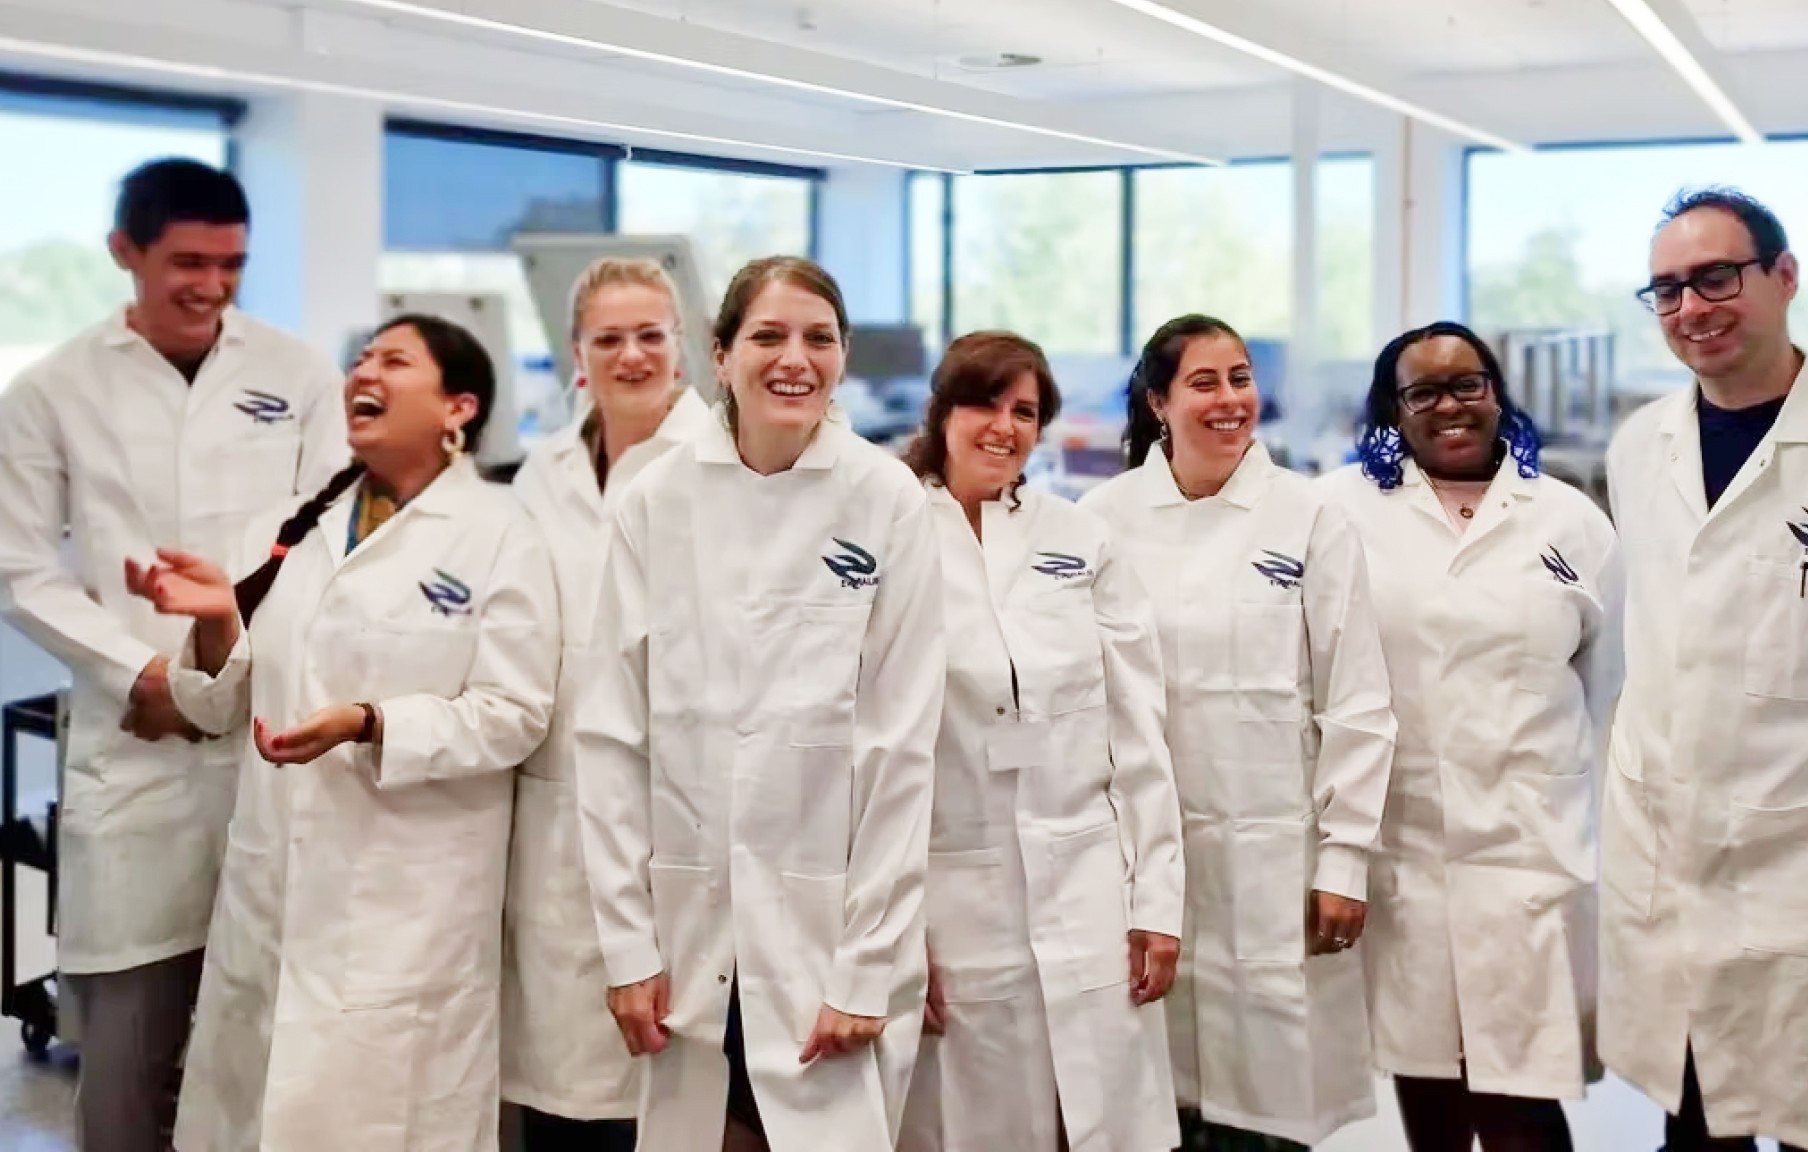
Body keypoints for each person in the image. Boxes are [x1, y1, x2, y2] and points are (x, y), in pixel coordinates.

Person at [127, 314, 562, 1152]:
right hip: (274, 889)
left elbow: (514, 714)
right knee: (255, 1110)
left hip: (407, 906)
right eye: (360, 357)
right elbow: (218, 707)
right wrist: (218, 620)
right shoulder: (294, 526)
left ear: (456, 408)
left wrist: (370, 725)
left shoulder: (502, 535)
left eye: (396, 361)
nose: (366, 371)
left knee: (380, 1117)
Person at [0, 157, 345, 1152]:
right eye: (186, 261)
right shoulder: (51, 391)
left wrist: (229, 671)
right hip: (137, 748)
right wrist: (141, 673)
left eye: (231, 263)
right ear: (125, 254)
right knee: (128, 1063)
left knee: (269, 1048)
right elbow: (20, 567)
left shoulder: (294, 372)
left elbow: (324, 540)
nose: (213, 285)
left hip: (270, 730)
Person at [573, 256, 944, 1152]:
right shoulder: (657, 500)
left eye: (820, 338)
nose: (795, 359)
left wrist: (867, 965)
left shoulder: (885, 497)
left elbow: (900, 752)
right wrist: (628, 950)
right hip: (690, 927)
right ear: (721, 354)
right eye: (769, 336)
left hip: (827, 931)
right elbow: (611, 737)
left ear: (844, 356)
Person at [1603, 187, 1808, 1152]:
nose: (1691, 308)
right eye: (1665, 290)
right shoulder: (1637, 447)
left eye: (1715, 278)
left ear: (1783, 279)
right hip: (1673, 858)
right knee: (1697, 1128)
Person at [1079, 315, 1397, 1151]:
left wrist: (1346, 855)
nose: (1230, 400)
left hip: (1274, 861)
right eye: (1205, 382)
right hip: (1140, 862)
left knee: (1268, 1111)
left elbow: (1356, 700)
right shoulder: (1100, 519)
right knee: (1153, 1107)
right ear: (1158, 401)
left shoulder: (1308, 515)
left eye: (1241, 378)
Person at [1320, 321, 1621, 1152]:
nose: (1449, 405)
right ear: (1395, 408)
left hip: (1533, 847)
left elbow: (1612, 690)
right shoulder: (1340, 509)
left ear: (1496, 392)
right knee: (1428, 1077)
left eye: (1467, 384)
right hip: (1404, 845)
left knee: (1523, 1091)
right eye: (1424, 391)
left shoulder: (1568, 519)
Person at [895, 331, 1184, 1152]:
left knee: (1093, 1113)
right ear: (944, 410)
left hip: (1087, 880)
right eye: (985, 402)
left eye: (1025, 411)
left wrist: (1156, 900)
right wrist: (886, 933)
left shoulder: (1078, 538)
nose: (1004, 426)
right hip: (951, 888)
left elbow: (1139, 728)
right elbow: (861, 750)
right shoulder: (892, 533)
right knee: (971, 1121)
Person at [503, 257, 709, 1150]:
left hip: (677, 804)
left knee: (668, 1090)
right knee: (556, 1084)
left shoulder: (722, 464)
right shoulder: (538, 472)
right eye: (609, 339)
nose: (632, 356)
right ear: (577, 356)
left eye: (651, 335)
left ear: (686, 349)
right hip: (548, 800)